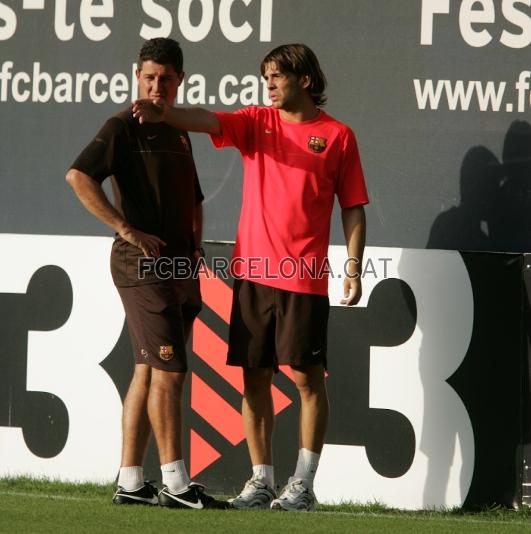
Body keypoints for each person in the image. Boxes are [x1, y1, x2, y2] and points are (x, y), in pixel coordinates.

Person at [132, 43, 368, 512]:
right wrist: (164, 112)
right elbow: (208, 120)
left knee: (305, 377)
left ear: (305, 79)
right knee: (253, 378)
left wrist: (354, 267)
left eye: (278, 76)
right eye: (267, 77)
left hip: (303, 277)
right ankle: (262, 482)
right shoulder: (257, 122)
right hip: (252, 274)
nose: (270, 85)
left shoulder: (338, 136)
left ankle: (303, 486)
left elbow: (353, 208)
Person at [66, 38, 227, 510]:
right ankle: (176, 485)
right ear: (138, 77)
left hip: (179, 265)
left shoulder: (179, 131)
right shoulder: (122, 126)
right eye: (148, 77)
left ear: (180, 81)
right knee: (170, 371)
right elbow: (78, 176)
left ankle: (132, 481)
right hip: (141, 266)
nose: (156, 86)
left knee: (147, 367)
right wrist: (125, 228)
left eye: (165, 79)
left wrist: (195, 248)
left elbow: (194, 198)